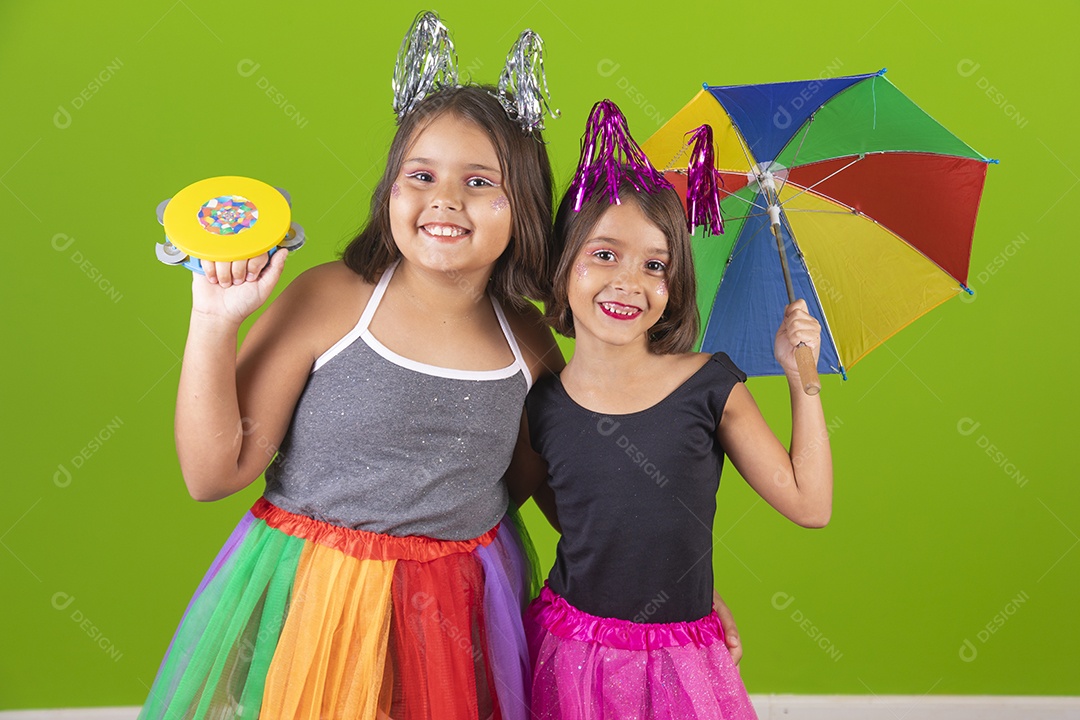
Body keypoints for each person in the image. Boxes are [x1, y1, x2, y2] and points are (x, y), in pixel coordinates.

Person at [138, 15, 564, 720]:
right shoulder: (328, 299)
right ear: (390, 188)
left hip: (458, 618)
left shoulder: (528, 344)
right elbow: (212, 473)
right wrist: (215, 320)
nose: (445, 199)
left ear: (523, 205)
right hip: (315, 602)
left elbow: (547, 489)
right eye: (420, 174)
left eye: (480, 180)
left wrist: (668, 588)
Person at [518, 100, 833, 719]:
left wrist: (802, 377)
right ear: (562, 265)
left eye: (654, 264)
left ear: (676, 281)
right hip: (568, 650)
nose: (629, 281)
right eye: (604, 254)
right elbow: (580, 525)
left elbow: (811, 503)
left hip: (682, 660)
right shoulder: (544, 404)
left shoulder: (708, 385)